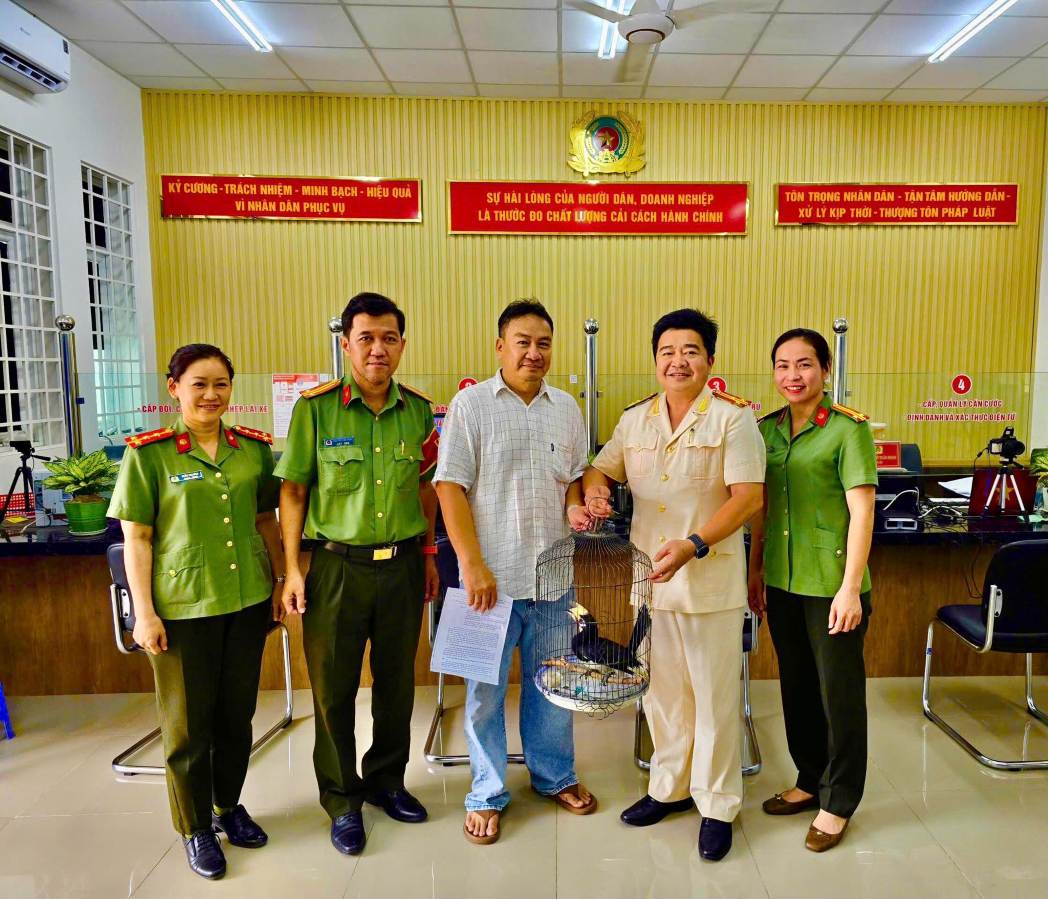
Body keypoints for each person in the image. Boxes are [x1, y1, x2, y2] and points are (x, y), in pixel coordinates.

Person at [582, 309, 764, 862]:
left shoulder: (734, 420)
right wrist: (594, 493)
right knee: (661, 696)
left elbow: (747, 498)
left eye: (690, 350)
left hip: (707, 581)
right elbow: (601, 468)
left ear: (710, 360)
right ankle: (669, 788)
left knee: (712, 697)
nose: (677, 361)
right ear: (655, 360)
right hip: (651, 583)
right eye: (667, 351)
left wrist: (693, 544)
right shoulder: (635, 420)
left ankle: (717, 803)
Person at [108, 343, 285, 881]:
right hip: (181, 608)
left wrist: (278, 580)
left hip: (247, 601)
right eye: (199, 384)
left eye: (221, 384)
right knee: (187, 727)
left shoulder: (252, 450)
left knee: (236, 717)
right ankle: (194, 827)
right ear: (174, 388)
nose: (211, 395)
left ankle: (227, 806)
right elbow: (136, 539)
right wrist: (145, 613)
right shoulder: (149, 453)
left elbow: (266, 523)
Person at [276, 292, 439, 857]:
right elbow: (292, 490)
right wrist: (293, 569)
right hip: (335, 570)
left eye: (388, 338)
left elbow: (426, 487)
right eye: (365, 338)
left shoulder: (419, 410)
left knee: (398, 685)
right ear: (346, 344)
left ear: (401, 344)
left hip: (400, 569)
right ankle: (342, 799)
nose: (377, 349)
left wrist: (427, 555)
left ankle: (388, 782)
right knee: (335, 689)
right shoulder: (315, 408)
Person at [434, 299, 598, 846]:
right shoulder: (471, 405)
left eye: (544, 343)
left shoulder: (567, 408)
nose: (534, 353)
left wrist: (576, 503)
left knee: (553, 683)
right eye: (522, 342)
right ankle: (486, 791)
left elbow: (574, 477)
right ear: (500, 346)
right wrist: (471, 565)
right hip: (486, 581)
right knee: (482, 694)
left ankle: (555, 776)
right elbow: (448, 486)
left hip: (553, 577)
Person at [747, 328, 876, 853]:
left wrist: (850, 589)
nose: (792, 376)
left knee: (838, 694)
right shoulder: (766, 430)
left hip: (832, 583)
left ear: (824, 369)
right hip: (782, 579)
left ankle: (839, 799)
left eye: (804, 365)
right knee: (796, 685)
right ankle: (808, 778)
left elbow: (862, 511)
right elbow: (761, 508)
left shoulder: (847, 430)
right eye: (782, 365)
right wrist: (755, 570)